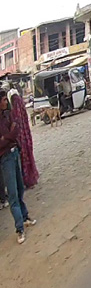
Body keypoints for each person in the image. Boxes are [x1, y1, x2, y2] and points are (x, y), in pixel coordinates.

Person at [0, 90, 36, 244]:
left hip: (14, 154)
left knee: (20, 188)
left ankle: (25, 216)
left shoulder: (7, 115)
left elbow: (16, 131)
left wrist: (7, 137)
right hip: (5, 158)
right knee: (13, 194)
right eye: (2, 100)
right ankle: (19, 228)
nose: (5, 102)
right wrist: (9, 136)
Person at [6, 88, 38, 188]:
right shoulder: (19, 101)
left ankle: (25, 180)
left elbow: (16, 121)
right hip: (25, 135)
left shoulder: (15, 104)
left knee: (23, 158)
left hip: (20, 137)